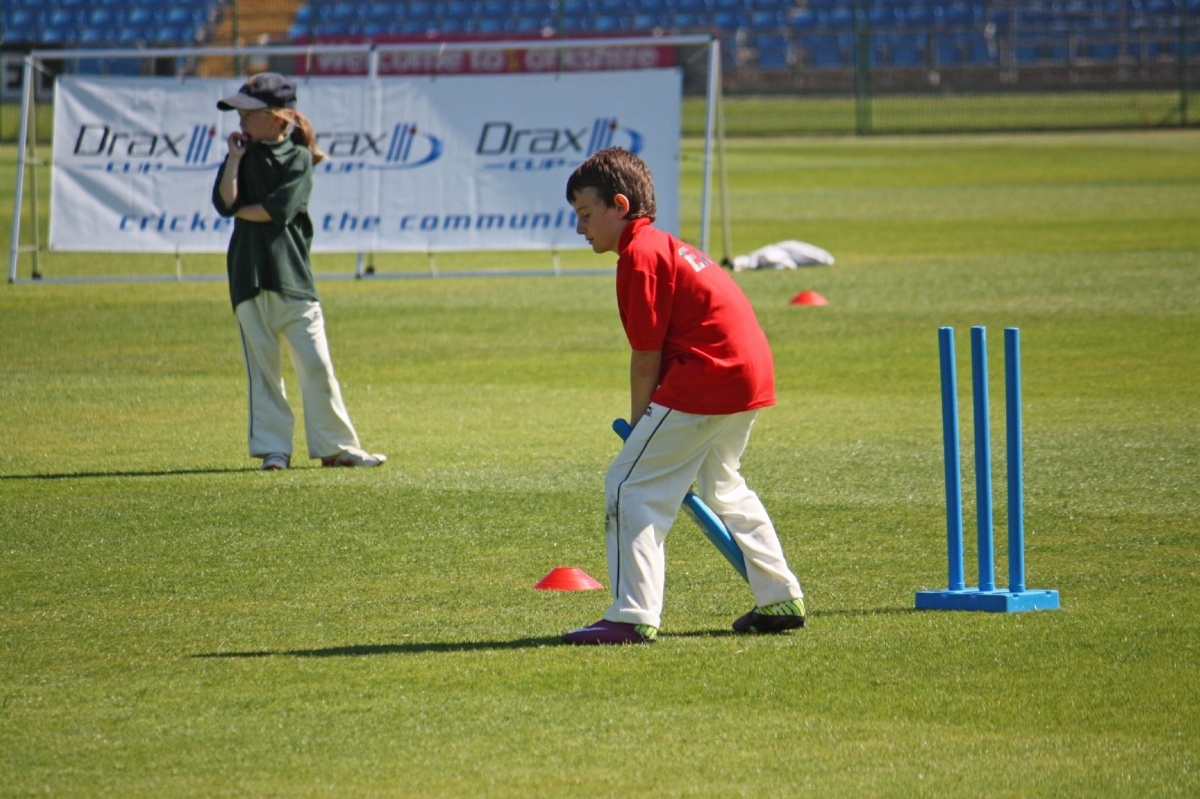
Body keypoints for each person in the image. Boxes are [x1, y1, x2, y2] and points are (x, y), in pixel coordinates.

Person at [562, 147, 805, 645]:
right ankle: (779, 597)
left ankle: (632, 615)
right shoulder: (664, 246)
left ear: (620, 206)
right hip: (747, 374)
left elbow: (645, 357)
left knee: (629, 485)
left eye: (586, 214)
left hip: (707, 376)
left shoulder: (639, 257)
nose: (579, 228)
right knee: (725, 487)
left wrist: (640, 428)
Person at [212, 73, 386, 471]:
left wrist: (239, 210)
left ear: (277, 117)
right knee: (263, 372)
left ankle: (336, 447)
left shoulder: (298, 158)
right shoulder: (241, 155)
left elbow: (277, 211)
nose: (241, 120)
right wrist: (234, 160)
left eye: (249, 113)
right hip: (247, 276)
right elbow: (224, 201)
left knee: (317, 366)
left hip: (292, 277)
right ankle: (274, 450)